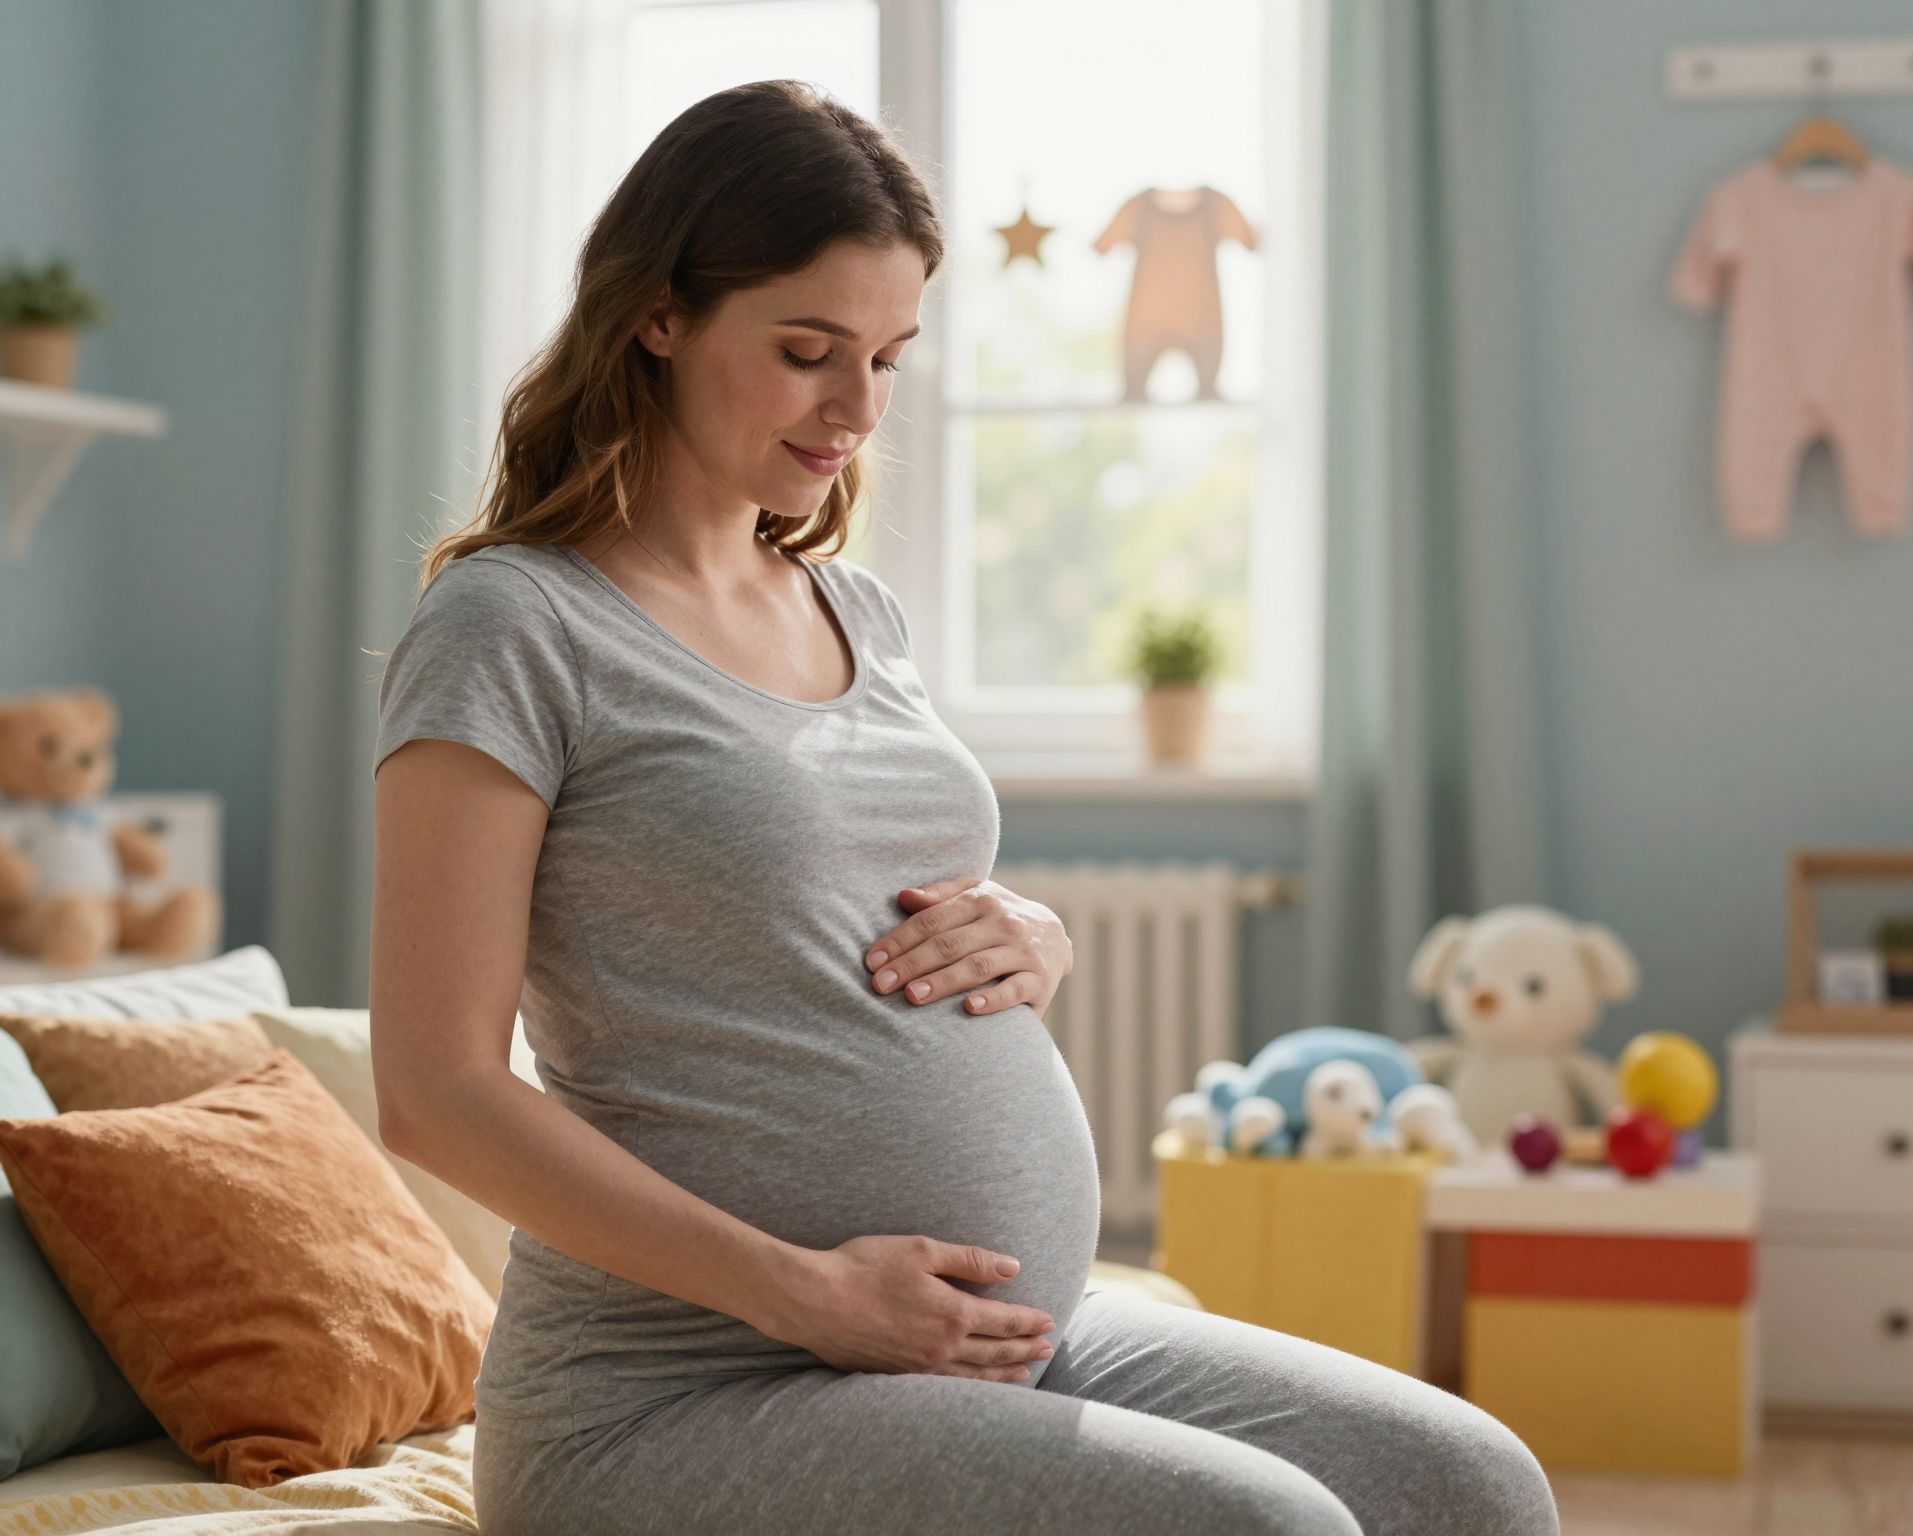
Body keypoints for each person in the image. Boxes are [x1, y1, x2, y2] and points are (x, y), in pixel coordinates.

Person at [368, 77, 1559, 1536]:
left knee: (1472, 1484)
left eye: (888, 357)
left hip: (984, 1337)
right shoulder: (514, 624)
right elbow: (437, 1095)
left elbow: (840, 899)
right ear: (659, 316)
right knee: (1271, 1529)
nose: (858, 410)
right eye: (808, 352)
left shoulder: (853, 605)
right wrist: (807, 1292)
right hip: (680, 1392)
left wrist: (1032, 936)